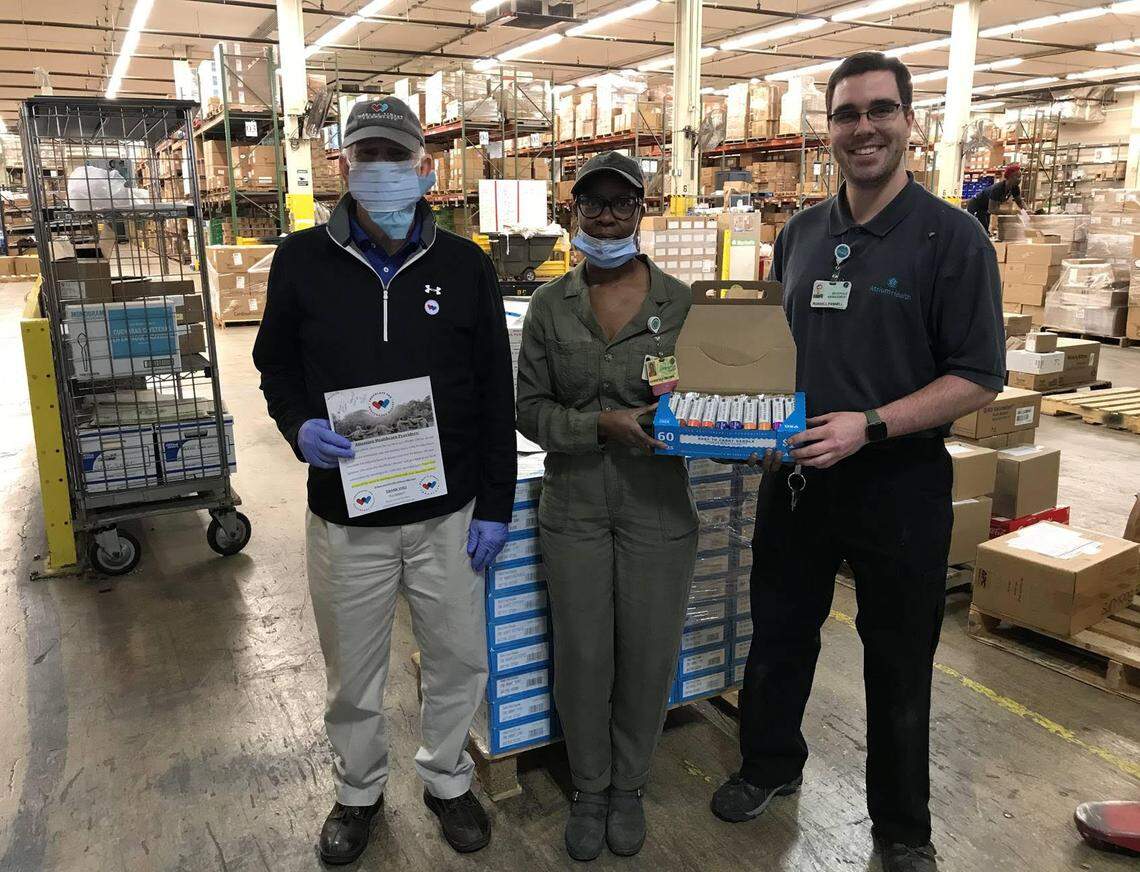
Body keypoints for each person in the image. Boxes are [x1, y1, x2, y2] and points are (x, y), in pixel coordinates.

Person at [709, 52, 1005, 872]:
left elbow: (979, 376)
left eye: (880, 110)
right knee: (778, 635)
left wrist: (869, 426)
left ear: (911, 122)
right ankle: (769, 763)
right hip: (798, 479)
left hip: (899, 487)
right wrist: (735, 409)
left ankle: (903, 827)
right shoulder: (801, 233)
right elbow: (772, 353)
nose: (863, 128)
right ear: (828, 130)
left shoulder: (954, 238)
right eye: (846, 114)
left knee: (899, 658)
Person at [252, 97, 516, 864]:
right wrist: (298, 424)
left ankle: (447, 780)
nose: (381, 170)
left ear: (423, 167)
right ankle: (357, 792)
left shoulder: (465, 266)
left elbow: (495, 392)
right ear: (343, 163)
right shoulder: (300, 260)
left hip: (451, 514)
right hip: (346, 515)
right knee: (352, 671)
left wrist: (493, 506)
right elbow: (274, 365)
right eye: (366, 154)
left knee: (458, 656)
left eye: (395, 156)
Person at [515, 151, 699, 862]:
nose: (606, 215)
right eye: (592, 203)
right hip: (576, 506)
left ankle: (629, 786)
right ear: (573, 213)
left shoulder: (682, 304)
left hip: (658, 506)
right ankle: (591, 788)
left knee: (649, 654)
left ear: (642, 210)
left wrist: (754, 430)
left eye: (621, 203)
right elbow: (528, 408)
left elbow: (712, 400)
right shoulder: (548, 305)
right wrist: (597, 425)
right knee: (584, 653)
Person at [965, 164, 1026, 230]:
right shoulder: (998, 188)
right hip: (975, 206)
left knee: (985, 230)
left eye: (1020, 177)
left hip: (985, 209)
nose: (1019, 179)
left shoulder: (1015, 188)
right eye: (1017, 177)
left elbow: (1020, 202)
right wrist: (1011, 212)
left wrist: (1027, 211)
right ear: (1009, 177)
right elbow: (992, 209)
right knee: (977, 229)